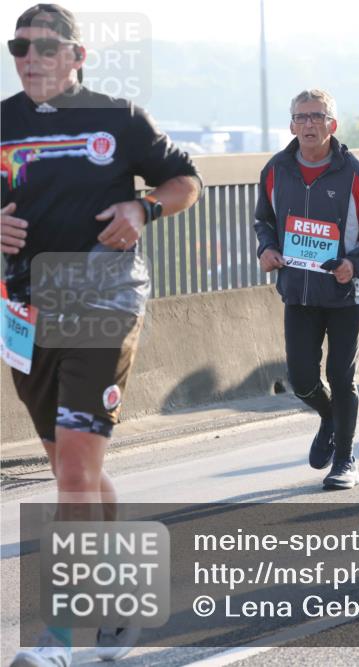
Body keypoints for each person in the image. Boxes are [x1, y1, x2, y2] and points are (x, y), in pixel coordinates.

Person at [1, 4, 201, 665]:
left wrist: (142, 207)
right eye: (18, 46)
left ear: (77, 55)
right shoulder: (2, 120)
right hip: (27, 312)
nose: (30, 56)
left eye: (44, 46)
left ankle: (58, 633)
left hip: (104, 303)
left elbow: (186, 182)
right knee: (70, 467)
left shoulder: (119, 117)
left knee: (76, 473)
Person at [253, 89, 359, 491]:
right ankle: (329, 417)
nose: (309, 124)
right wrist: (266, 248)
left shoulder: (354, 172)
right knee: (301, 379)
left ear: (332, 125)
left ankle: (346, 459)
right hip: (298, 291)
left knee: (340, 374)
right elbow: (263, 221)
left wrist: (355, 264)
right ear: (291, 125)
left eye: (317, 116)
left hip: (346, 293)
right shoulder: (275, 170)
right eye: (301, 117)